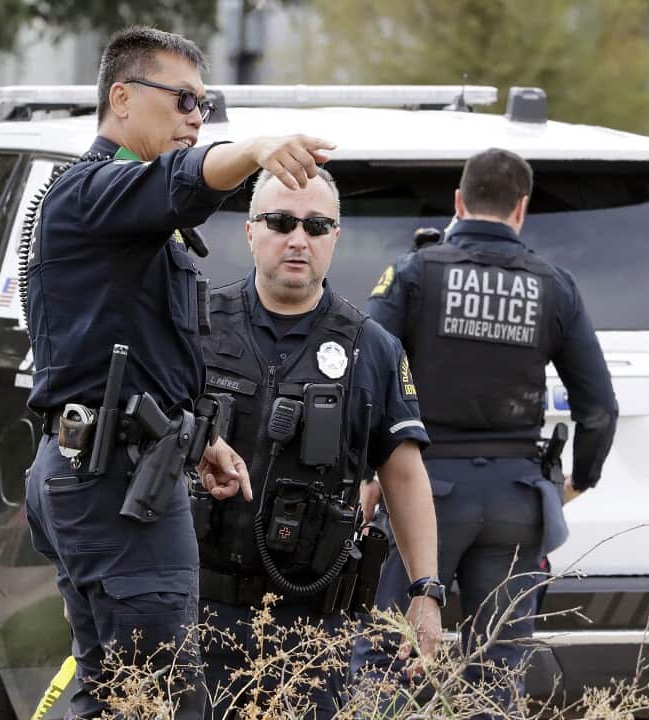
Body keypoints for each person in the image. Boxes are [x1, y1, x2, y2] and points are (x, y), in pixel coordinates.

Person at [22, 25, 336, 719]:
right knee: (164, 700)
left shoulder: (123, 216)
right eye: (185, 100)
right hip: (113, 485)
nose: (197, 118)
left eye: (206, 105)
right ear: (123, 98)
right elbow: (181, 183)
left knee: (120, 699)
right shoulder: (97, 191)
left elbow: (138, 352)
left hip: (118, 469)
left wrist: (200, 441)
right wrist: (252, 151)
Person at [352, 147, 619, 708]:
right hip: (515, 503)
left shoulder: (414, 272)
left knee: (388, 658)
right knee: (498, 674)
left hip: (423, 492)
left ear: (457, 201)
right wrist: (577, 483)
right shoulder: (554, 286)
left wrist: (368, 469)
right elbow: (599, 407)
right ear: (521, 209)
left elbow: (364, 367)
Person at [194, 167, 442, 719]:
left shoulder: (371, 348)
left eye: (316, 225)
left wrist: (426, 589)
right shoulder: (196, 325)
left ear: (336, 237)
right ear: (250, 231)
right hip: (194, 612)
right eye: (280, 221)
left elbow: (403, 473)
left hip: (311, 631)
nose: (298, 239)